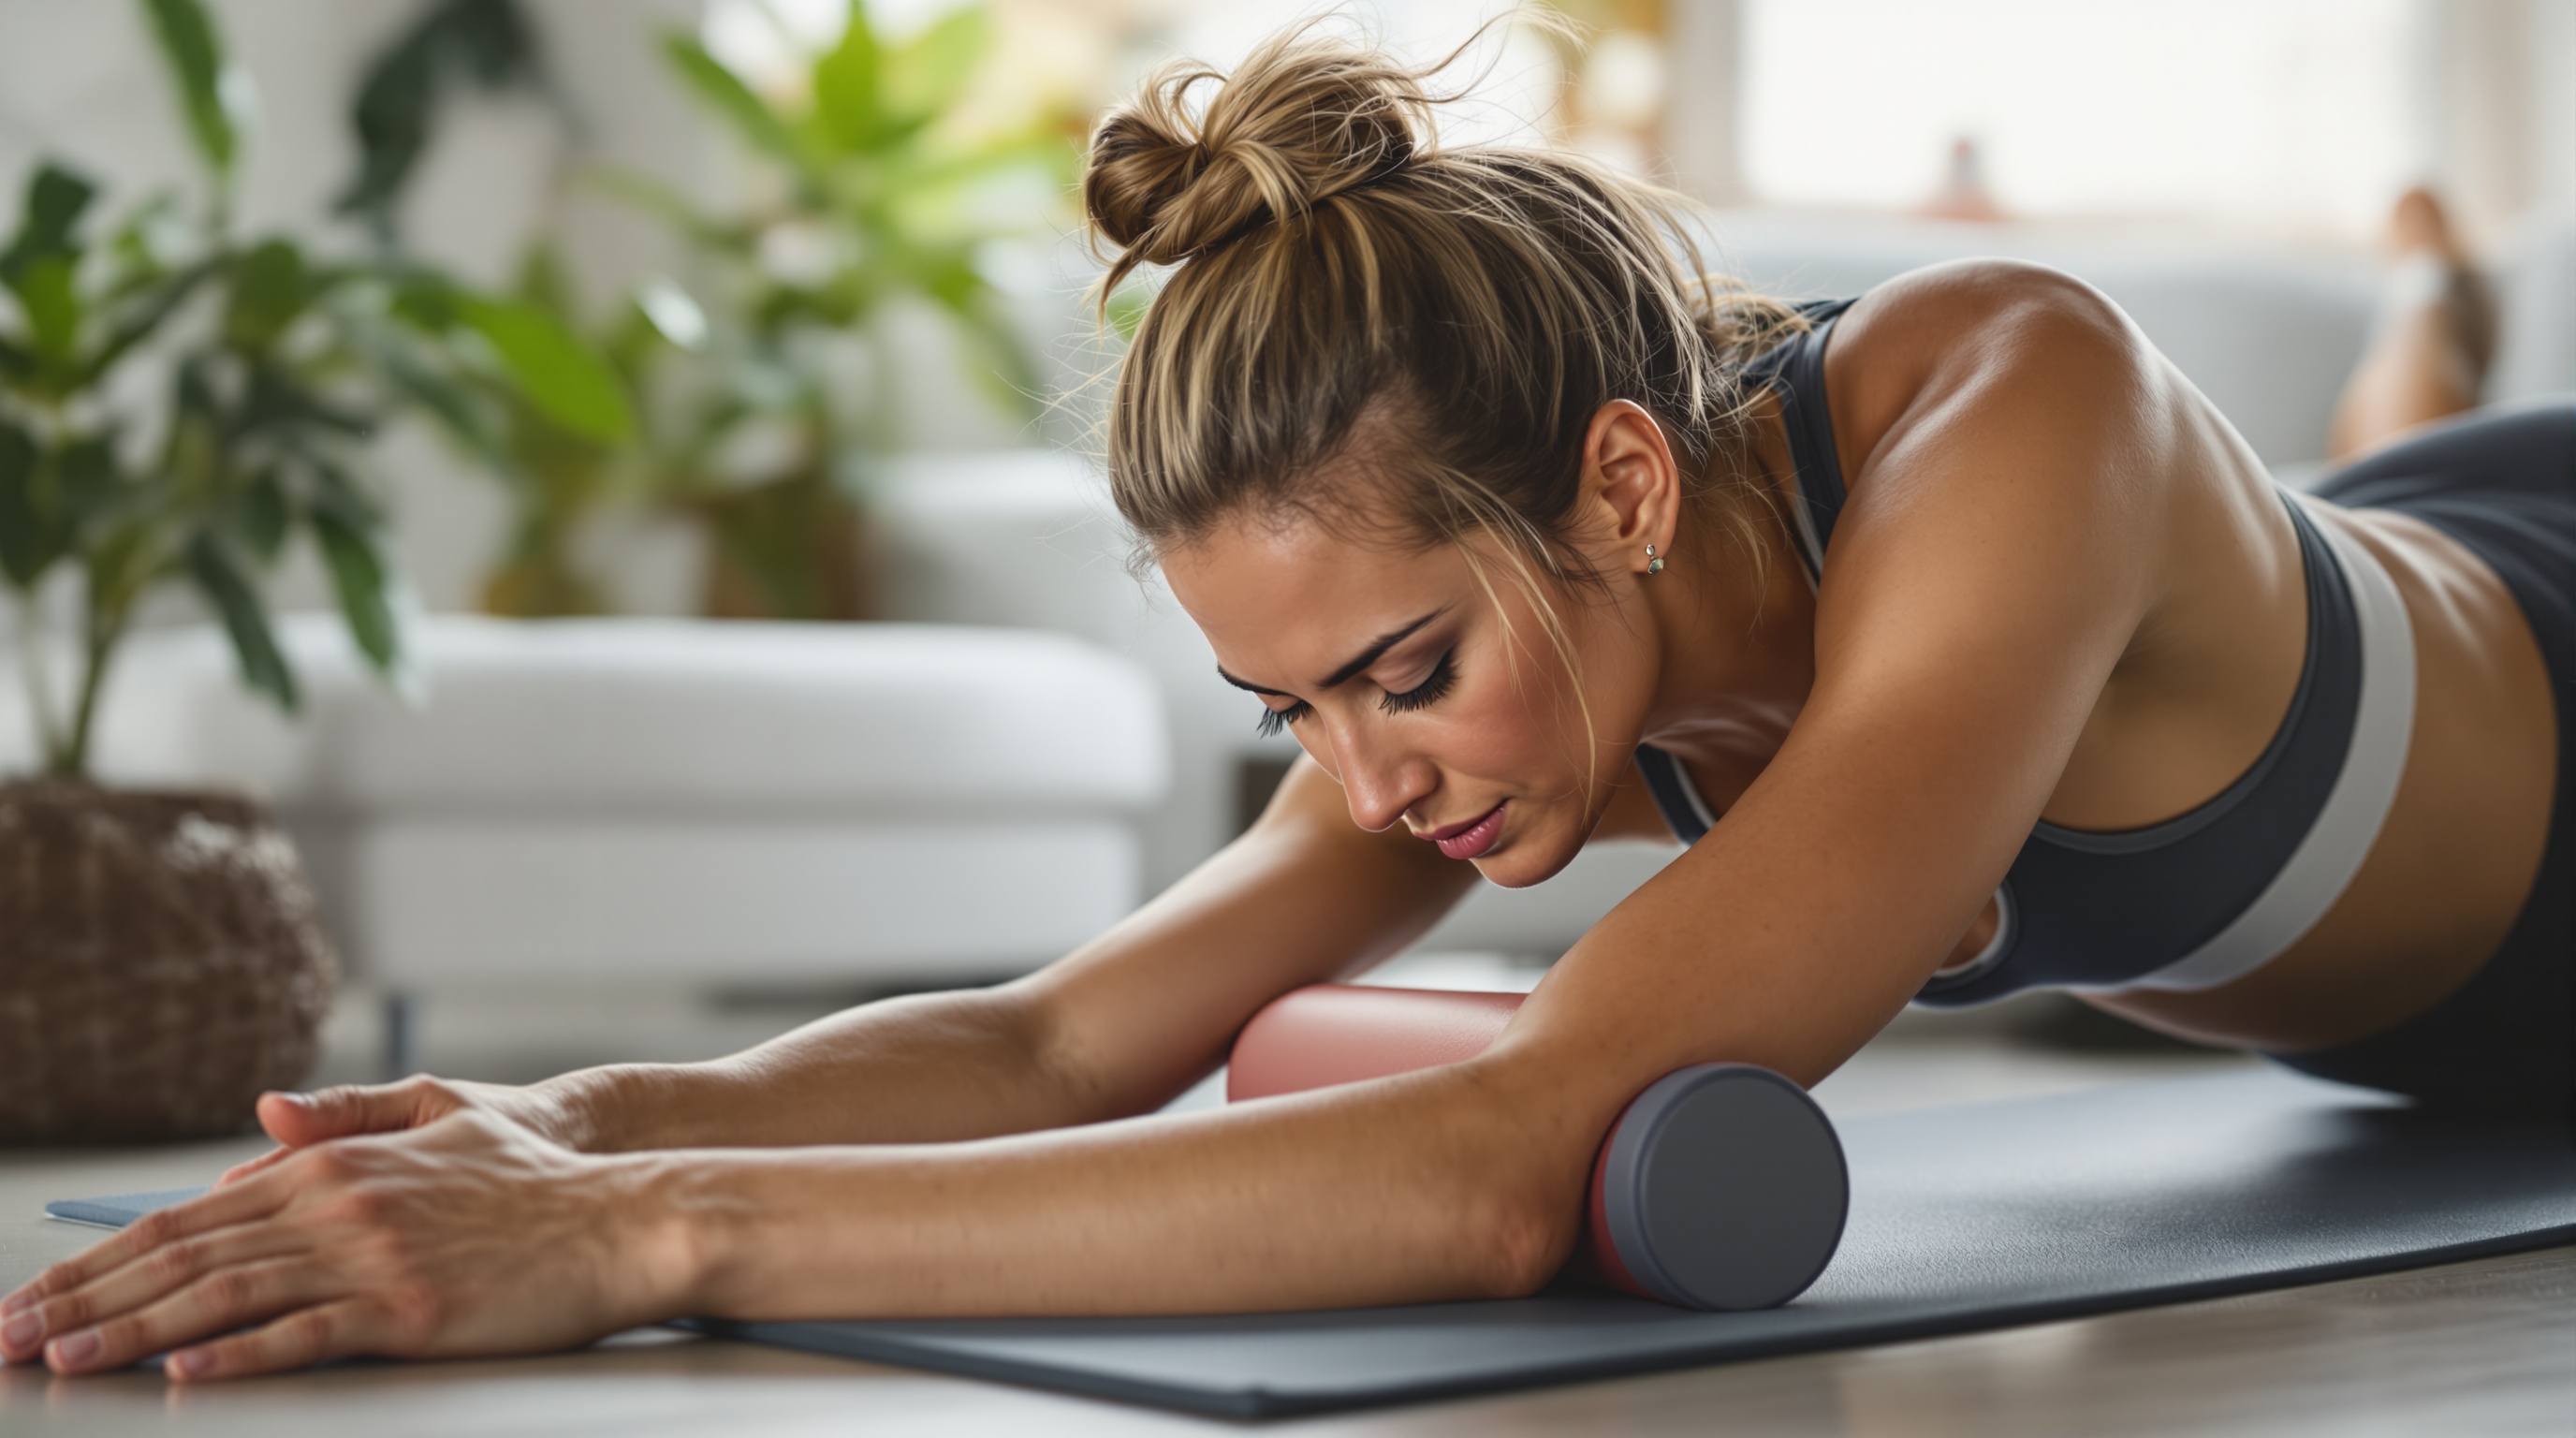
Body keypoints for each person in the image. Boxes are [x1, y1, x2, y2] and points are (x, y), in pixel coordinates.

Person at [3, 26, 2566, 1382]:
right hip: (2387, 679)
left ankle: (2435, 328)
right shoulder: (1534, 649)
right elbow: (1049, 1050)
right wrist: (566, 1114)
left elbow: (1503, 1156)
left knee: (2375, 496)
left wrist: (652, 1230)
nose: (1358, 781)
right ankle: (2420, 349)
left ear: (1633, 484)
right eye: (1289, 707)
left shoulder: (2024, 407)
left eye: (1395, 679)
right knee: (2364, 490)